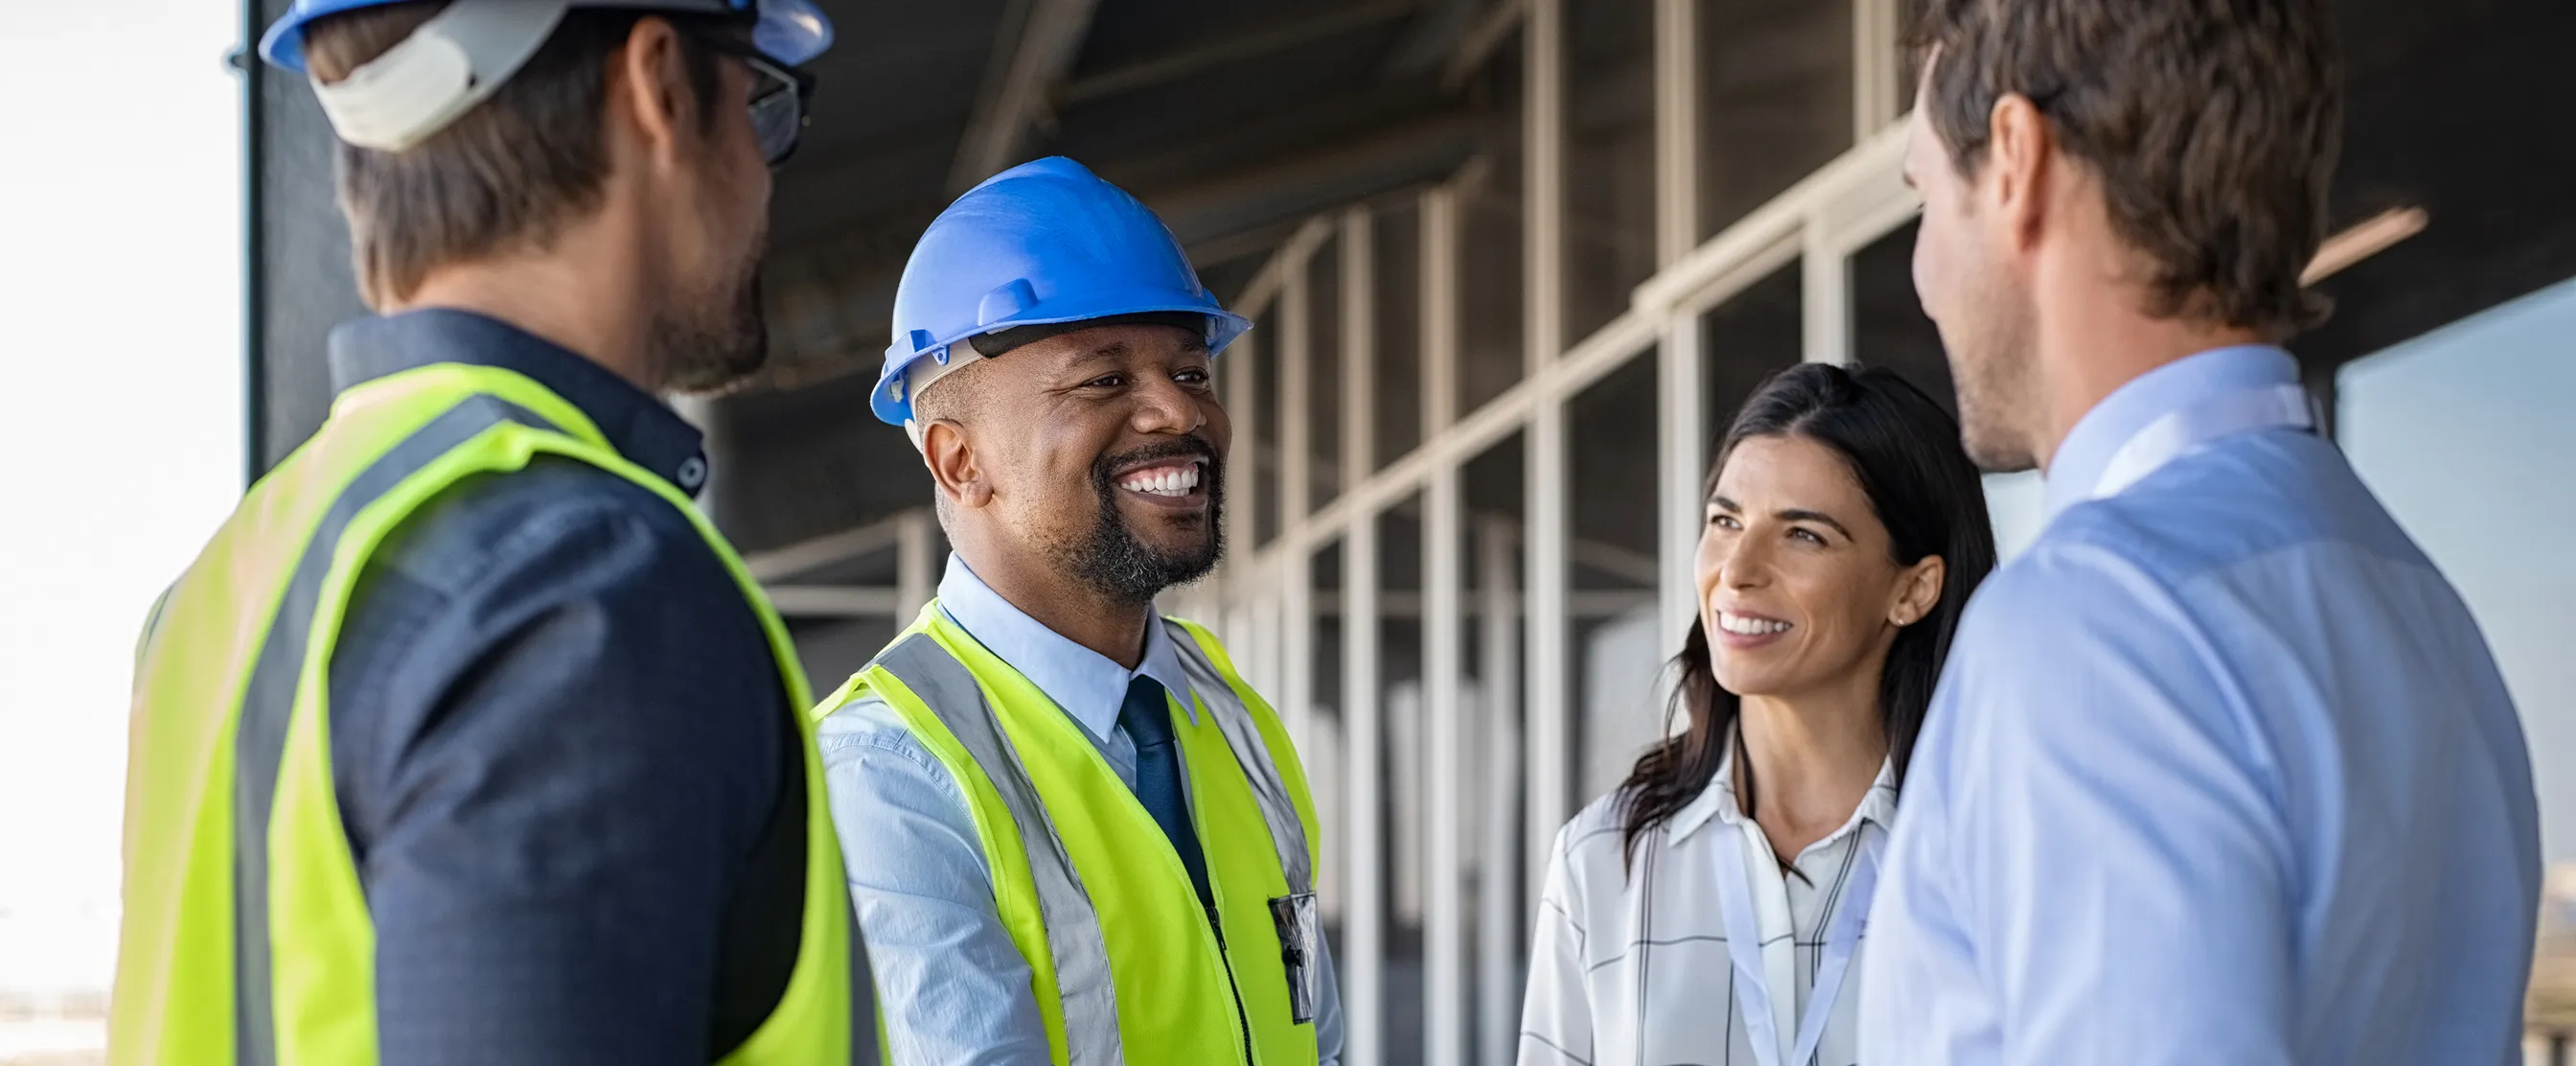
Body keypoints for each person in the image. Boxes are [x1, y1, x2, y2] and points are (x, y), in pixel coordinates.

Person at [110, 3, 868, 1063]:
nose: (762, 170)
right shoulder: (584, 585)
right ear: (656, 84)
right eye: (757, 105)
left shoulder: (227, 582)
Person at [1858, 2, 2542, 1063]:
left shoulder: (2088, 628)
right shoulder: (2423, 610)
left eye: (1925, 201)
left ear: (2014, 162)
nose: (1923, 273)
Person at [813, 155, 1344, 1066]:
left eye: (1193, 370)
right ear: (957, 461)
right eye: (1103, 381)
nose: (1181, 411)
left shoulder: (1226, 712)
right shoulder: (889, 775)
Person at [1518, 363, 1996, 1066]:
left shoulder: (1996, 854)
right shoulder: (1600, 861)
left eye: (1803, 534)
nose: (1737, 569)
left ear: (1914, 589)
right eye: (1725, 520)